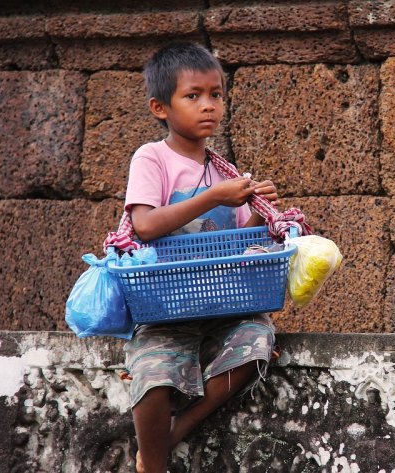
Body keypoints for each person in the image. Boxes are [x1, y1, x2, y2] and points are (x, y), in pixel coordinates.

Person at [122, 42, 280, 473]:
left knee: (256, 345)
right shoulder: (153, 158)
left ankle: (177, 431)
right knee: (153, 375)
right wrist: (212, 196)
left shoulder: (225, 171)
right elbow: (145, 225)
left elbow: (234, 240)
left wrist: (263, 213)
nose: (208, 106)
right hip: (165, 307)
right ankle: (152, 462)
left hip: (222, 303)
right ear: (160, 107)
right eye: (193, 96)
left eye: (216, 95)